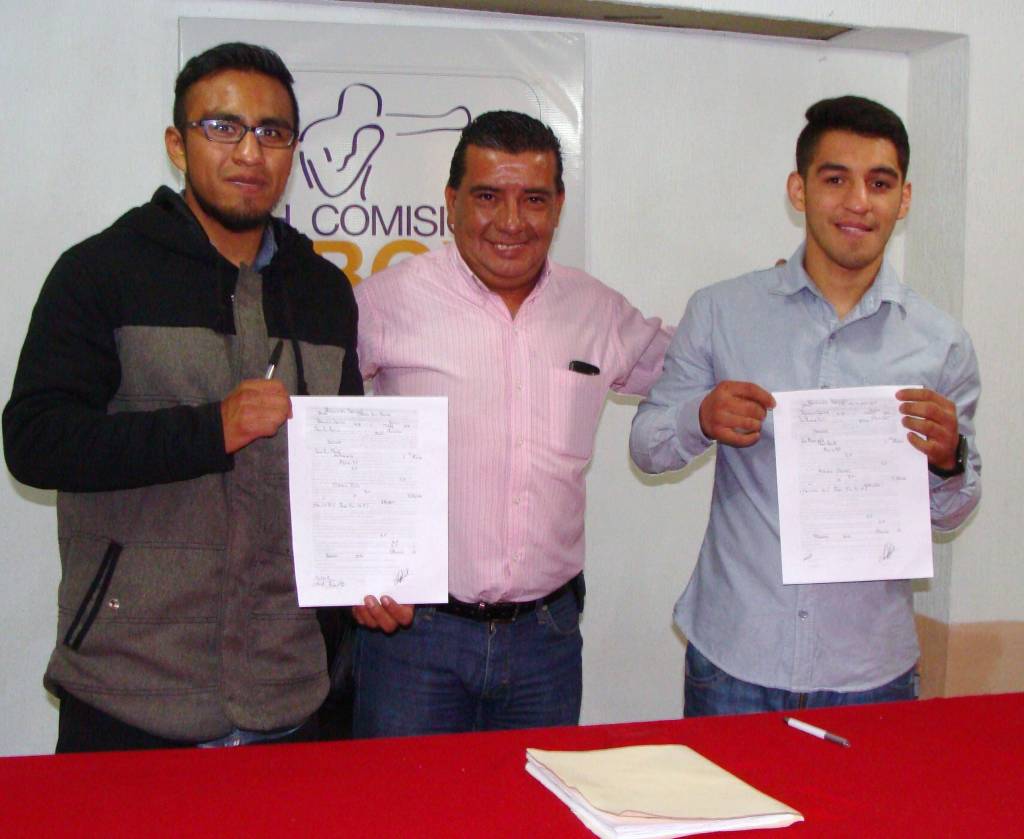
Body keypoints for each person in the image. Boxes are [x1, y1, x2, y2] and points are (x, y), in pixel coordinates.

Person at [2, 42, 362, 751]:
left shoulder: (323, 291)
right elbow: (35, 440)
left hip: (287, 693)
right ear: (177, 143)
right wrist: (210, 429)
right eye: (223, 127)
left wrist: (370, 576)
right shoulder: (100, 272)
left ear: (293, 150)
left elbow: (344, 468)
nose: (250, 152)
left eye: (272, 132)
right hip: (129, 693)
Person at [630, 95, 981, 716]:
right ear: (799, 190)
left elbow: (950, 515)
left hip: (870, 669)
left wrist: (949, 461)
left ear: (904, 200)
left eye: (880, 184)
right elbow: (647, 445)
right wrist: (699, 418)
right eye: (835, 179)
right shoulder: (721, 310)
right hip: (735, 657)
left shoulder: (941, 343)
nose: (858, 202)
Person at [351, 111, 671, 736]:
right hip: (415, 637)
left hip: (545, 643)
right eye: (487, 197)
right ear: (451, 202)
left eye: (533, 199)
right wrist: (351, 567)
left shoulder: (596, 310)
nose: (511, 221)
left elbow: (689, 364)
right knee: (403, 797)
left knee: (537, 797)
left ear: (558, 207)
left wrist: (761, 314)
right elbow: (315, 429)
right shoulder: (383, 303)